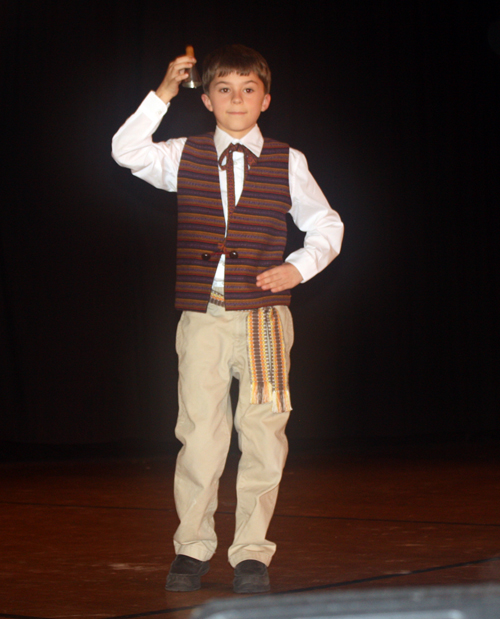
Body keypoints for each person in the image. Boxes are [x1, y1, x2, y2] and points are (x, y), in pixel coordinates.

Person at [112, 44, 344, 594]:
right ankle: (192, 547)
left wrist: (298, 268)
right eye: (224, 89)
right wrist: (164, 90)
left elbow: (327, 224)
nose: (236, 99)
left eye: (247, 90)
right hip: (204, 318)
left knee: (263, 436)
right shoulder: (183, 154)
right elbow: (125, 150)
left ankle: (251, 555)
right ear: (208, 100)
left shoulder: (288, 160)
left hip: (263, 319)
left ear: (265, 99)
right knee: (200, 435)